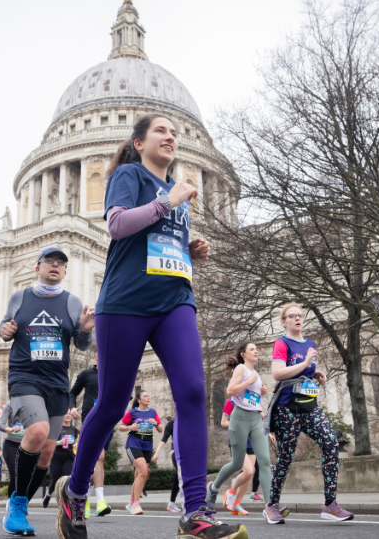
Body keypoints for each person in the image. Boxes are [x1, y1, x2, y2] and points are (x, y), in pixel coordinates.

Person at [54, 113, 246, 539]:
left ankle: (195, 511)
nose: (171, 136)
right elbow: (119, 224)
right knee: (110, 405)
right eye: (161, 130)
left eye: (174, 132)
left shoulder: (177, 193)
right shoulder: (129, 175)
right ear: (139, 143)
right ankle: (76, 490)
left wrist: (190, 248)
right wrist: (169, 202)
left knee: (194, 393)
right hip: (126, 302)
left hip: (175, 299)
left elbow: (159, 239)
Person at [0, 246, 95, 537]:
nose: (55, 265)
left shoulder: (72, 302)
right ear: (38, 267)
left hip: (56, 382)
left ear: (65, 272)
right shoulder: (21, 296)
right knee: (38, 432)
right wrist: (5, 330)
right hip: (25, 376)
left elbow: (80, 344)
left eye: (60, 263)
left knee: (47, 452)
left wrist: (87, 330)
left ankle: (19, 506)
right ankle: (16, 505)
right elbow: (5, 326)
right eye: (49, 261)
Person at [264, 303, 353, 524]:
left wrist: (315, 375)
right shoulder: (281, 343)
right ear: (284, 321)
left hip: (310, 407)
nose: (297, 318)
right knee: (286, 456)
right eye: (291, 316)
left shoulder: (310, 343)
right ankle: (271, 505)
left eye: (300, 315)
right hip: (287, 410)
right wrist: (305, 363)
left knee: (331, 443)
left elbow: (303, 374)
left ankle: (330, 504)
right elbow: (278, 373)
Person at [206, 342, 272, 520]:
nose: (256, 351)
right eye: (252, 349)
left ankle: (270, 506)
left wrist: (261, 392)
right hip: (239, 419)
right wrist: (249, 382)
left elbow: (251, 399)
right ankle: (214, 488)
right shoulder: (241, 370)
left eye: (256, 349)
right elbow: (230, 391)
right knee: (237, 464)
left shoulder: (256, 374)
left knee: (265, 462)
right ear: (243, 354)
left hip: (255, 419)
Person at [69, 354, 110, 517]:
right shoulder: (86, 374)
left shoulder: (113, 374)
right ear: (95, 356)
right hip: (90, 418)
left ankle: (84, 498)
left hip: (108, 420)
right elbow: (72, 393)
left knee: (96, 462)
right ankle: (100, 501)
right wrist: (72, 408)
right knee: (98, 457)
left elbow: (124, 395)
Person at [118, 391, 162, 515]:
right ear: (139, 400)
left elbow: (160, 430)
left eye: (149, 396)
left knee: (142, 473)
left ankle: (131, 503)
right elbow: (120, 426)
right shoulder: (132, 412)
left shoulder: (153, 412)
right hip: (133, 444)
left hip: (147, 446)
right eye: (145, 396)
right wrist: (130, 427)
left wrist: (156, 423)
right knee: (143, 470)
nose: (148, 398)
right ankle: (136, 504)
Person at [43, 410, 78, 507]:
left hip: (68, 456)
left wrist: (76, 444)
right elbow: (48, 443)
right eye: (66, 413)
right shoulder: (56, 428)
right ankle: (48, 494)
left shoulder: (73, 429)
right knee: (55, 480)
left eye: (69, 414)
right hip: (56, 457)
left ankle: (64, 502)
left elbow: (76, 441)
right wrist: (59, 443)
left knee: (67, 479)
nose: (68, 415)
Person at [151, 417, 182, 513]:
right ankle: (176, 503)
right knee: (180, 474)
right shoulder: (172, 423)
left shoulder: (188, 421)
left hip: (187, 453)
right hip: (176, 452)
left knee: (179, 476)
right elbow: (164, 438)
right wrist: (156, 452)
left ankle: (172, 503)